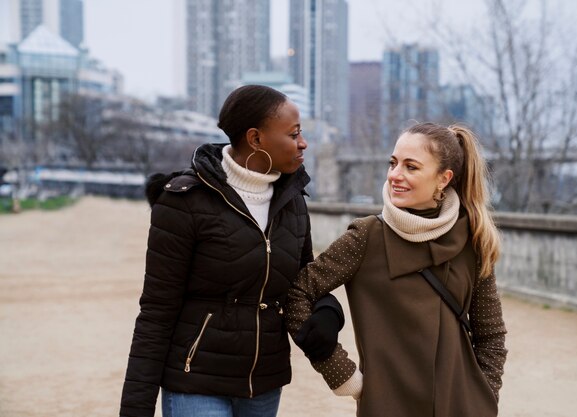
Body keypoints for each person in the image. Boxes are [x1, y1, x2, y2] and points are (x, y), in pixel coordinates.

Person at [119, 85, 345, 417]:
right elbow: (156, 312)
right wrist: (135, 410)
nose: (303, 143)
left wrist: (328, 311)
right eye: (293, 134)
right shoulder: (184, 202)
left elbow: (302, 281)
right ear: (255, 139)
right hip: (195, 384)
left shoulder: (293, 200)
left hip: (265, 385)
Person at [285, 122, 508, 417]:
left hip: (463, 407)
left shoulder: (473, 240)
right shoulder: (366, 237)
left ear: (444, 178)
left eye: (411, 167)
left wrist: (484, 394)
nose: (395, 175)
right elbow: (297, 293)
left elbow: (491, 334)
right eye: (393, 163)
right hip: (387, 407)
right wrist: (341, 373)